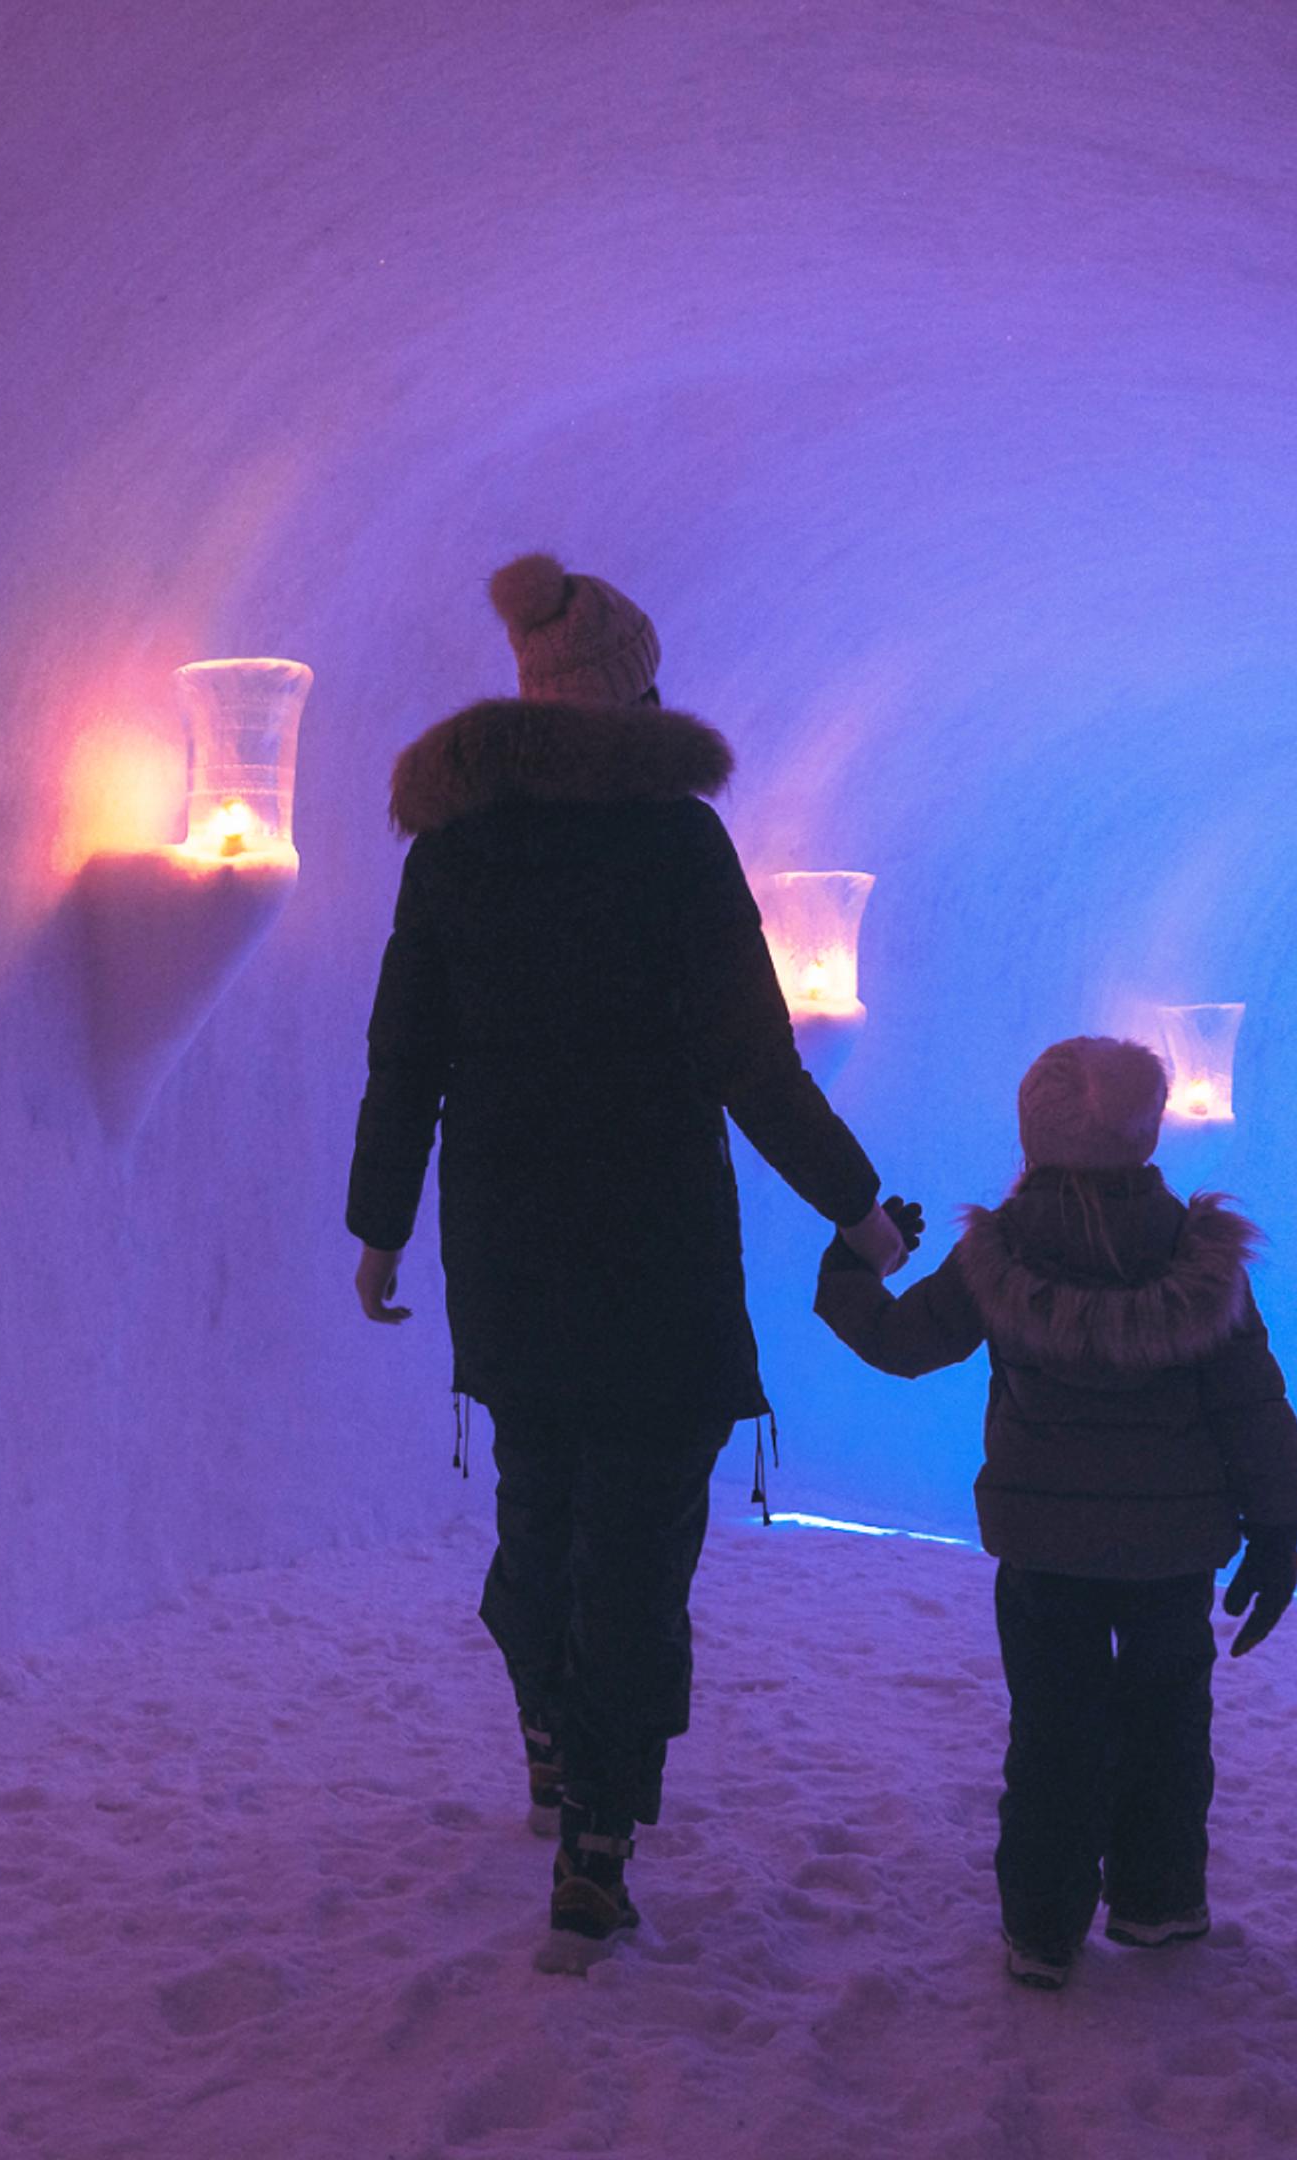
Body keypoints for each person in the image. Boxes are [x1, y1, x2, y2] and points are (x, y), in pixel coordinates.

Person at [346, 551, 908, 1950]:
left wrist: (379, 1225)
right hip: (653, 1247)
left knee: (539, 1511)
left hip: (509, 1243)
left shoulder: (454, 846)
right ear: (638, 695)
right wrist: (856, 1204)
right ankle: (599, 1825)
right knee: (641, 1543)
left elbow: (404, 1049)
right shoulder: (674, 841)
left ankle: (549, 1723)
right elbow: (753, 1065)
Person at [809, 1035, 1297, 1990]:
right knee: (1170, 1721)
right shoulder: (1198, 1255)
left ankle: (1042, 1930)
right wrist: (1278, 1527)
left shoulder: (1000, 1253)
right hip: (1173, 1550)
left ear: (1032, 1133)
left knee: (1052, 1729)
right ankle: (1161, 1903)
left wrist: (849, 1268)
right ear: (1149, 1129)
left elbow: (903, 1344)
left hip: (1046, 1552)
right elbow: (1250, 1396)